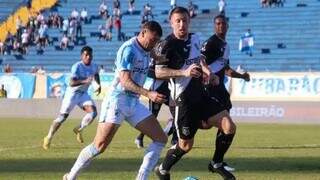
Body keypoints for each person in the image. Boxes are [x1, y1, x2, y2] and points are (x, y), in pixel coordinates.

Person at [63, 21, 167, 180]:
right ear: (143, 32)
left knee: (160, 138)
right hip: (117, 101)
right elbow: (125, 81)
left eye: (156, 41)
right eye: (152, 40)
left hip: (133, 103)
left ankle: (142, 178)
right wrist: (149, 93)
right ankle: (70, 176)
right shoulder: (128, 49)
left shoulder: (147, 49)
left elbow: (155, 57)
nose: (153, 44)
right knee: (99, 146)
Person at [151, 7, 236, 180]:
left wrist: (208, 73)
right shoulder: (166, 45)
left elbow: (199, 59)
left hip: (201, 95)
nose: (182, 24)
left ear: (189, 21)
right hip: (183, 102)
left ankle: (216, 163)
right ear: (171, 23)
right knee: (185, 145)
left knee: (229, 126)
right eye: (178, 21)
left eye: (185, 20)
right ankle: (162, 169)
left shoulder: (195, 38)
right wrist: (184, 72)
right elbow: (158, 72)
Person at [200, 14, 251, 179]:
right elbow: (200, 63)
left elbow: (226, 68)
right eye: (218, 24)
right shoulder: (211, 43)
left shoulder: (225, 45)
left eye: (223, 23)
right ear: (215, 26)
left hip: (220, 89)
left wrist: (241, 76)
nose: (221, 26)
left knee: (226, 124)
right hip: (209, 88)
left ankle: (217, 160)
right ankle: (176, 128)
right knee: (214, 124)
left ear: (227, 26)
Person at [43, 46, 101, 150]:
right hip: (72, 94)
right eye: (86, 55)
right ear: (81, 56)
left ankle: (79, 129)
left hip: (83, 94)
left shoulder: (94, 66)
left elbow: (96, 75)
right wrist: (85, 81)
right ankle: (48, 137)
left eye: (90, 55)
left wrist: (98, 85)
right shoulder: (77, 66)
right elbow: (71, 83)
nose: (88, 57)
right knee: (62, 118)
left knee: (93, 113)